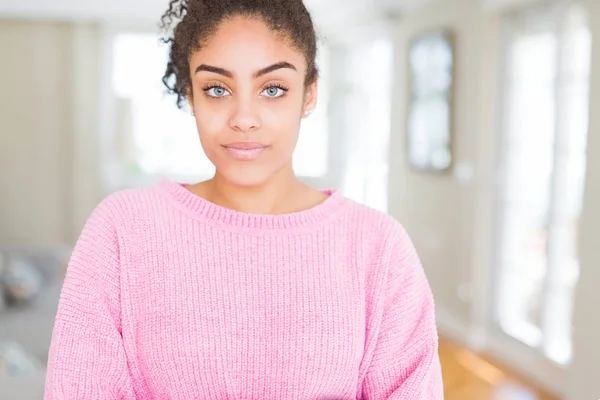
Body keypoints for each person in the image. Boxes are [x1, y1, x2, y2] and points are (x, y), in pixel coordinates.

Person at [44, 0, 444, 398]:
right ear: (190, 94)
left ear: (308, 95)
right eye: (217, 89)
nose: (244, 117)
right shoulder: (122, 230)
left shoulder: (379, 247)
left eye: (273, 89)